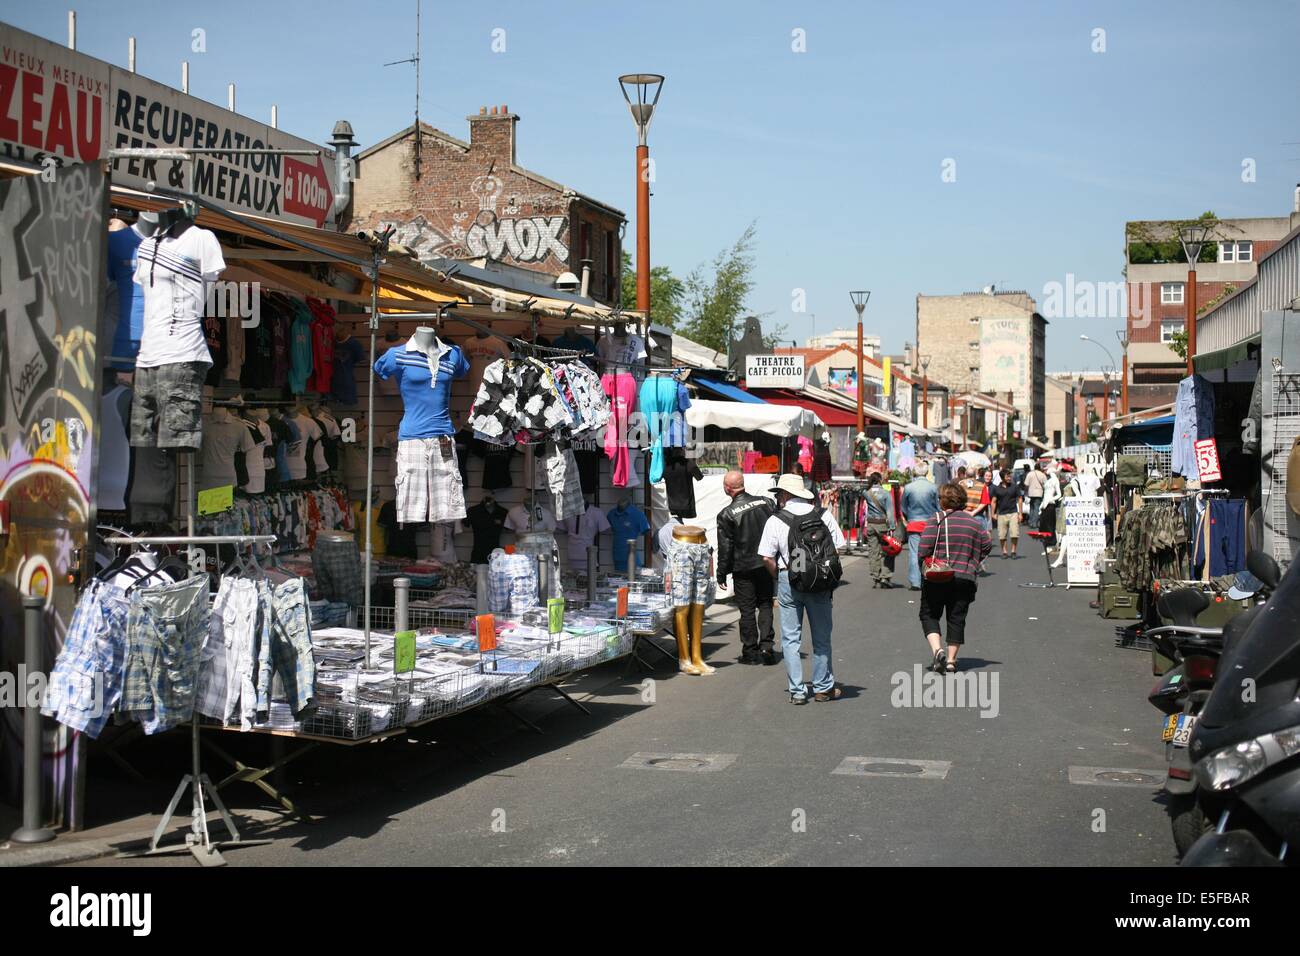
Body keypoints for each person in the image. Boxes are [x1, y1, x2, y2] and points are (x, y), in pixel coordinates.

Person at [758, 473, 846, 705]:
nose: (777, 498)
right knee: (821, 636)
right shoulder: (823, 515)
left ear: (786, 495)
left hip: (789, 578)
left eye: (778, 494)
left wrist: (780, 575)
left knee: (790, 637)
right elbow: (838, 547)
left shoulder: (776, 520)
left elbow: (767, 557)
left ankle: (797, 691)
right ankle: (822, 687)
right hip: (820, 580)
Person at [917, 482, 992, 673]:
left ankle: (937, 650)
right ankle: (950, 660)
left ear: (942, 500)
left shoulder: (936, 519)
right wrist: (972, 562)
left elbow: (923, 548)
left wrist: (925, 564)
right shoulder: (974, 523)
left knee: (929, 613)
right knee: (957, 617)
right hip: (965, 576)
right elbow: (986, 545)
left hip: (938, 576)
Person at [716, 471, 778, 666]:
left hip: (743, 567)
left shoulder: (726, 514)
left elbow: (726, 547)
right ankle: (767, 646)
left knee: (747, 610)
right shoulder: (766, 503)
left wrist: (721, 573)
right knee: (766, 604)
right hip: (765, 562)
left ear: (728, 488)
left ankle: (750, 652)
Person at [901, 461, 939, 591]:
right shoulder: (933, 487)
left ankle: (915, 581)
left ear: (915, 472)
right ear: (927, 472)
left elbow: (903, 507)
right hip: (930, 523)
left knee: (914, 553)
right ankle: (928, 578)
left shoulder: (908, 487)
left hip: (914, 522)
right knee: (930, 552)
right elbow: (938, 507)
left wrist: (909, 516)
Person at [863, 472, 897, 588]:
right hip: (882, 525)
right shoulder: (886, 494)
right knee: (888, 551)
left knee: (873, 552)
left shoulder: (866, 493)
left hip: (871, 525)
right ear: (880, 480)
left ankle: (875, 577)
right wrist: (892, 527)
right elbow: (890, 513)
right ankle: (885, 577)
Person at [990, 467, 1022, 558]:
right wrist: (993, 513)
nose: (1009, 478)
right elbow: (993, 501)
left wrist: (1020, 513)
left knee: (1014, 533)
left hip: (1013, 513)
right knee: (1002, 535)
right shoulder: (997, 488)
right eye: (1007, 476)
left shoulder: (1014, 486)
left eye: (1010, 476)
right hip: (1001, 514)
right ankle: (1004, 552)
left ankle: (1013, 551)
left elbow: (1020, 499)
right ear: (1002, 477)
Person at [1022, 461, 1046, 529]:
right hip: (1039, 493)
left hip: (1031, 493)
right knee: (1036, 508)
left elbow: (1026, 484)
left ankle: (1030, 522)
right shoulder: (1042, 474)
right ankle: (1034, 523)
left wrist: (1026, 492)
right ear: (1040, 468)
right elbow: (1046, 485)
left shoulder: (1030, 474)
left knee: (1031, 507)